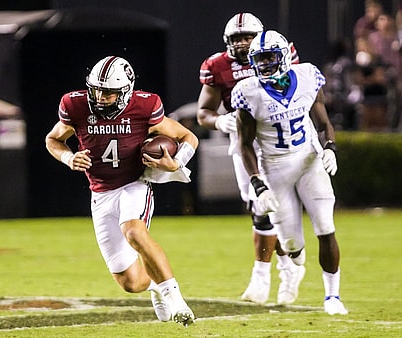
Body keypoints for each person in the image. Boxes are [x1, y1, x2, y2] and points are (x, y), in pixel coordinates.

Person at [45, 56, 198, 326]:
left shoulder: (145, 106)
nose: (101, 98)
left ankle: (175, 297)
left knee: (133, 230)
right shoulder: (75, 104)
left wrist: (176, 163)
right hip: (100, 192)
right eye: (97, 90)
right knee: (130, 282)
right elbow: (53, 139)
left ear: (125, 91)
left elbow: (188, 137)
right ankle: (155, 286)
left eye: (109, 92)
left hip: (134, 183)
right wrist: (69, 158)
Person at [232, 30, 349, 315]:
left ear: (284, 54)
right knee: (291, 246)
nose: (265, 64)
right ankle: (296, 253)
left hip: (309, 160)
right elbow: (245, 144)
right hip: (275, 168)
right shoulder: (248, 93)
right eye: (259, 60)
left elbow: (322, 121)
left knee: (325, 226)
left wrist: (330, 147)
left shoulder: (308, 76)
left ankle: (332, 297)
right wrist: (257, 183)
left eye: (270, 57)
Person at [197, 12, 305, 306]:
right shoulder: (217, 66)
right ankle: (280, 270)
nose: (243, 43)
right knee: (259, 208)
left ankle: (271, 272)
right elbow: (204, 112)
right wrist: (221, 122)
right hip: (245, 143)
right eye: (237, 38)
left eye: (248, 37)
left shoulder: (278, 54)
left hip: (278, 140)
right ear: (227, 42)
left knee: (272, 207)